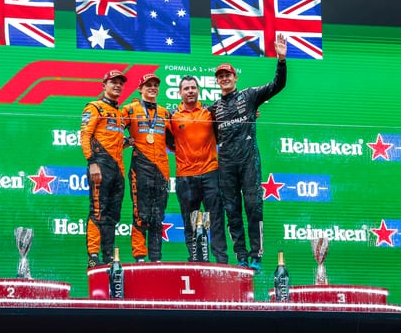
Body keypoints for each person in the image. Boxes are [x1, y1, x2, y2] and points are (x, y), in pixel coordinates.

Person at [210, 33, 288, 272]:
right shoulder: (212, 109)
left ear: (235, 77)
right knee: (232, 212)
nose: (224, 78)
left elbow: (277, 85)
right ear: (217, 81)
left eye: (228, 75)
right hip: (226, 164)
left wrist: (281, 60)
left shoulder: (250, 95)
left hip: (249, 161)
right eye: (220, 76)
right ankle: (241, 257)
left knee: (254, 207)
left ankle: (256, 255)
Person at [167, 76, 228, 264]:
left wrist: (253, 113)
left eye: (193, 87)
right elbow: (168, 142)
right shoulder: (172, 116)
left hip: (211, 172)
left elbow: (229, 122)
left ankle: (221, 260)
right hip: (185, 176)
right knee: (190, 220)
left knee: (216, 218)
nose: (190, 91)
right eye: (186, 88)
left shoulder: (210, 112)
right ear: (180, 92)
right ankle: (195, 259)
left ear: (198, 90)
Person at [80, 69, 128, 269]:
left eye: (120, 83)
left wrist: (127, 142)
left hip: (118, 169)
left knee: (112, 215)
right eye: (113, 82)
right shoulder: (94, 107)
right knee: (98, 211)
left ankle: (108, 256)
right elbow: (85, 135)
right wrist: (92, 162)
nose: (117, 85)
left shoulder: (120, 113)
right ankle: (93, 256)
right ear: (104, 85)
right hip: (100, 165)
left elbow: (111, 140)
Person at [121, 73, 172, 262]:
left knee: (158, 217)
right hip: (140, 167)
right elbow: (111, 130)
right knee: (141, 214)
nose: (152, 88)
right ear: (140, 89)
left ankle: (156, 259)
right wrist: (126, 141)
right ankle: (140, 257)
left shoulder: (165, 113)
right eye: (148, 85)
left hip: (162, 170)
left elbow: (178, 138)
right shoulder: (130, 109)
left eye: (155, 85)